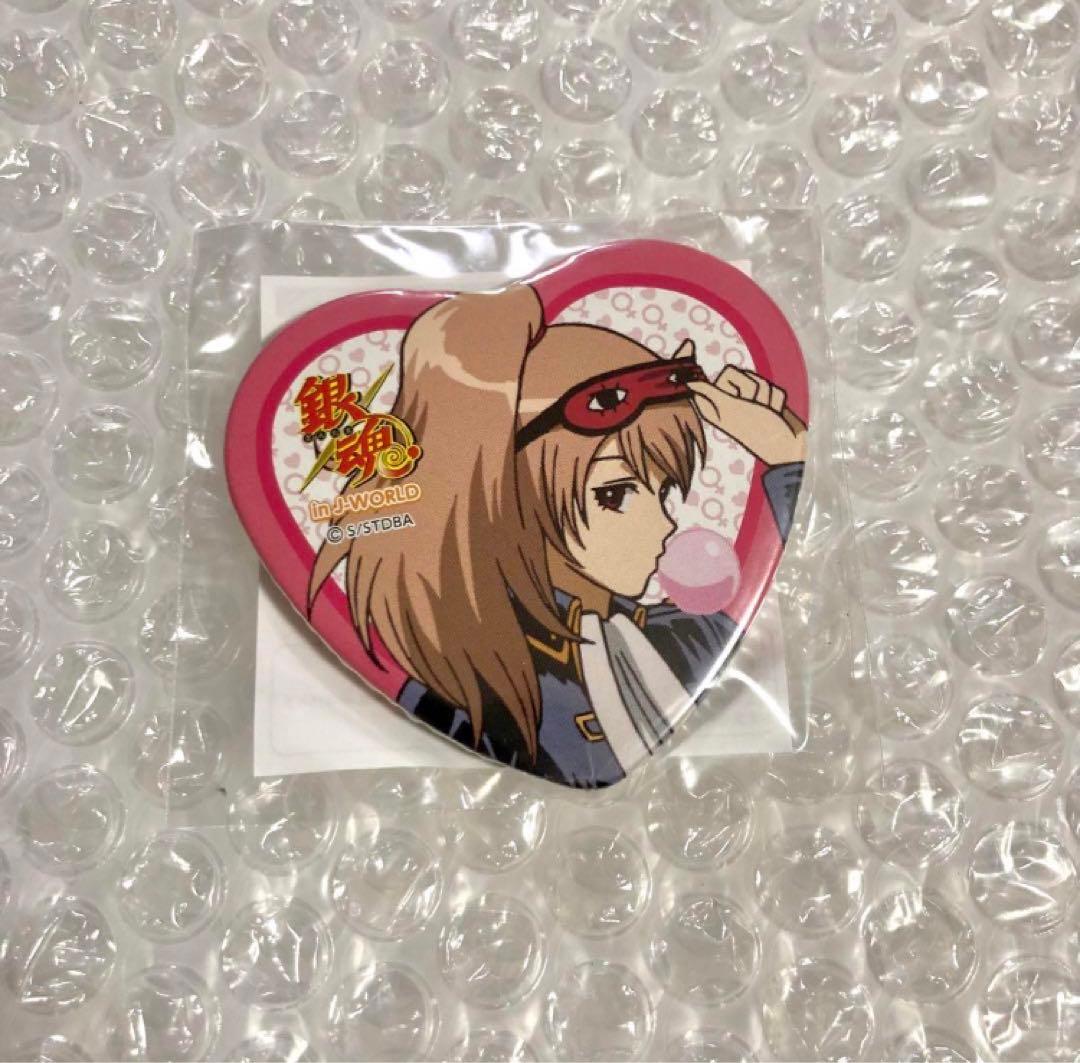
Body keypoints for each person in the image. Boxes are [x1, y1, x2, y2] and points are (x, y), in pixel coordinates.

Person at [309, 284, 806, 787]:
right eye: (614, 494)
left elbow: (751, 618)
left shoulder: (681, 638)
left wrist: (786, 453)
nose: (665, 524)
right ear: (506, 499)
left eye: (666, 491)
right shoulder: (464, 686)